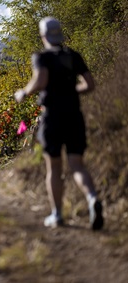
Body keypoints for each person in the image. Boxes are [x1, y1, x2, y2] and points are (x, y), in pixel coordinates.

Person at [14, 17, 104, 230]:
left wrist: (24, 92)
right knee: (77, 165)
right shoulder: (73, 55)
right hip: (74, 115)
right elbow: (90, 84)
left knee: (54, 166)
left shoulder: (42, 57)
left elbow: (41, 79)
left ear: (43, 35)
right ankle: (92, 198)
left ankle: (57, 215)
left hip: (53, 117)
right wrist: (72, 91)